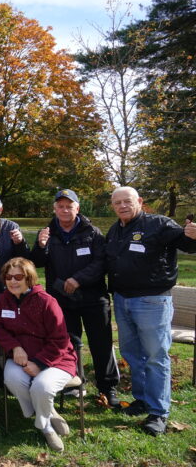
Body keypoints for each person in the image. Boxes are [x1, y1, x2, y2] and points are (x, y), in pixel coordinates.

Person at [105, 186, 196, 436]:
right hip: (122, 300)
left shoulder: (160, 224)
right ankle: (142, 399)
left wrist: (193, 235)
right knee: (133, 354)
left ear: (140, 201)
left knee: (156, 357)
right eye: (117, 203)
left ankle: (158, 412)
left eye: (127, 201)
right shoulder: (115, 230)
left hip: (152, 301)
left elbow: (187, 245)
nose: (122, 206)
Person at [30, 189, 120, 406]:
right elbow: (36, 262)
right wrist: (41, 246)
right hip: (61, 299)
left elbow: (101, 262)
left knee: (101, 343)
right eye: (60, 206)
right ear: (55, 209)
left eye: (69, 206)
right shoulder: (47, 233)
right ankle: (73, 383)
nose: (64, 209)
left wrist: (79, 279)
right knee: (68, 343)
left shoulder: (92, 232)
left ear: (77, 208)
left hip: (93, 296)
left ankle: (107, 388)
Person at [0, 257, 76, 452]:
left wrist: (39, 362)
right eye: (8, 277)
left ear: (29, 278)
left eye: (18, 276)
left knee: (42, 387)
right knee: (12, 379)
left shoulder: (46, 301)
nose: (13, 281)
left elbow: (60, 340)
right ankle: (47, 411)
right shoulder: (4, 299)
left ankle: (44, 427)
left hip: (56, 359)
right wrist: (14, 347)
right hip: (21, 357)